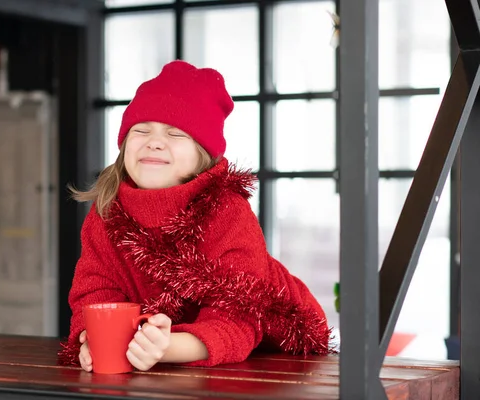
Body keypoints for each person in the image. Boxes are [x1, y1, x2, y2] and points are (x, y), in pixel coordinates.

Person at [58, 60, 332, 372]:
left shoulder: (227, 210)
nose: (155, 141)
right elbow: (95, 288)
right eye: (141, 130)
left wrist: (167, 348)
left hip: (275, 347)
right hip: (155, 348)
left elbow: (238, 316)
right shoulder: (108, 209)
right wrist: (92, 339)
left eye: (175, 133)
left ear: (202, 155)